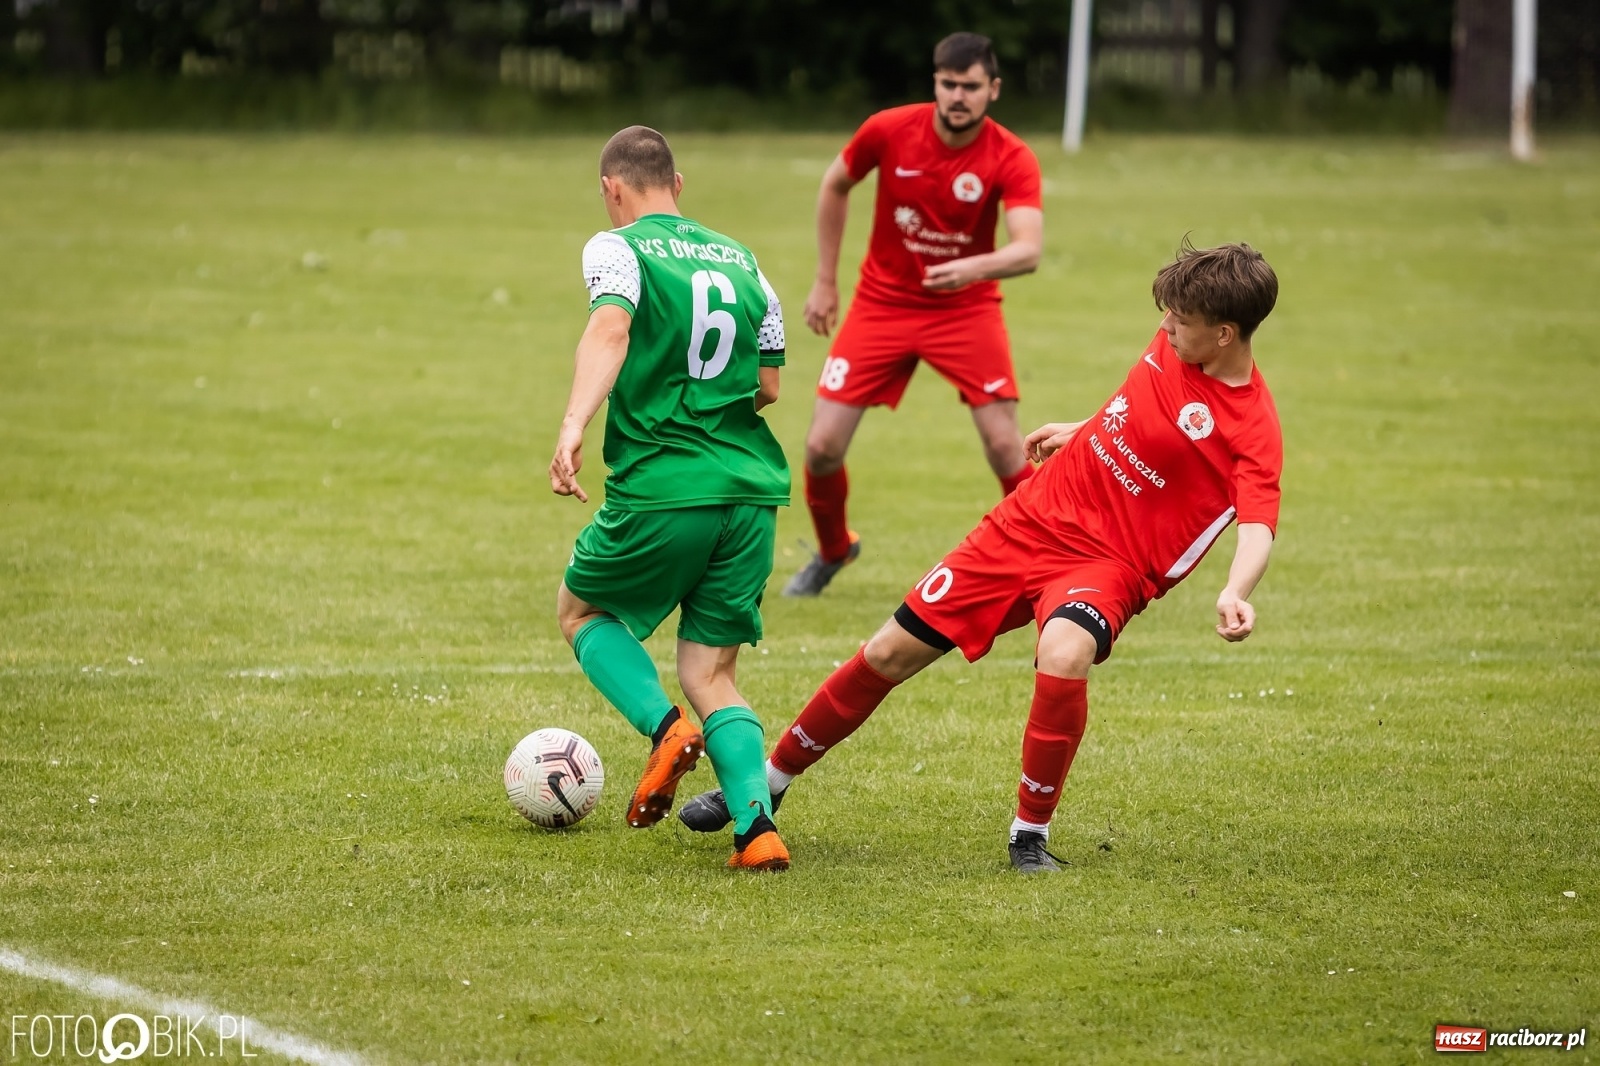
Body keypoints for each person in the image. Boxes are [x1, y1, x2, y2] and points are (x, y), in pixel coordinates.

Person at [680, 241, 1282, 874]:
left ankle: (1029, 835)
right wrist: (1082, 429)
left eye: (1180, 322)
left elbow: (1258, 525)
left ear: (1224, 334)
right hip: (1026, 522)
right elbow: (1136, 403)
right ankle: (766, 785)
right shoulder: (1174, 344)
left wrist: (1235, 591)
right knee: (887, 652)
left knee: (1066, 651)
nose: (1164, 328)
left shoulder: (1253, 427)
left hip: (1107, 565)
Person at [549, 125, 792, 872]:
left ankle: (664, 731)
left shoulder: (616, 247)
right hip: (750, 493)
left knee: (582, 611)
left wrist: (573, 423)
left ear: (612, 189)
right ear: (677, 185)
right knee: (712, 672)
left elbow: (612, 327)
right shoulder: (745, 259)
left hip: (664, 485)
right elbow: (770, 385)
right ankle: (758, 832)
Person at [783, 31, 1048, 597]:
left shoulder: (1011, 156)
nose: (958, 96)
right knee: (821, 447)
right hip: (882, 303)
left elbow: (1028, 248)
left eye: (970, 86)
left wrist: (973, 269)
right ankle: (834, 550)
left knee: (1006, 444)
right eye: (948, 84)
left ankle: (1046, 559)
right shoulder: (887, 129)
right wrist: (826, 281)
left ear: (992, 90)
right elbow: (835, 184)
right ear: (935, 83)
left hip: (966, 309)